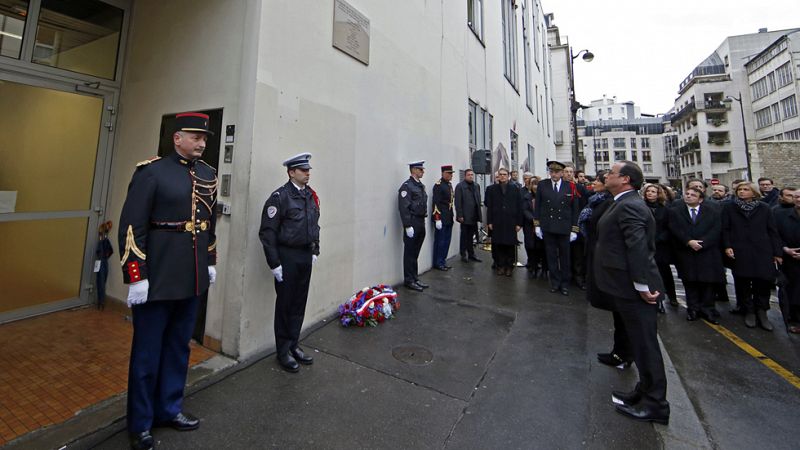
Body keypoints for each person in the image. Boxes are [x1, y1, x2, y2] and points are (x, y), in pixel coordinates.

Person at [119, 112, 218, 449]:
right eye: (196, 137)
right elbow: (133, 226)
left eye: (205, 138)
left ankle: (169, 409)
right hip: (157, 278)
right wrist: (137, 277)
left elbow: (209, 224)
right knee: (147, 353)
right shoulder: (151, 172)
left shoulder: (207, 174)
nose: (202, 143)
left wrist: (210, 262)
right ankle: (140, 423)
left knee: (178, 348)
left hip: (190, 279)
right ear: (177, 138)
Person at [595, 161, 668, 425]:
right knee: (639, 343)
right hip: (623, 286)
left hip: (634, 288)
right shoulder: (621, 201)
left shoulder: (631, 206)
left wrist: (642, 285)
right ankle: (645, 390)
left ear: (625, 179)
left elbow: (637, 247)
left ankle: (656, 404)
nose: (606, 175)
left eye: (612, 173)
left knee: (646, 346)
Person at [259, 152, 321, 372]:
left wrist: (315, 248)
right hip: (287, 256)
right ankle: (283, 350)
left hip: (305, 255)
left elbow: (315, 225)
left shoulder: (311, 196)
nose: (307, 173)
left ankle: (294, 344)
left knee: (298, 303)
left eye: (308, 170)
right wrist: (274, 263)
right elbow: (267, 233)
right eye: (303, 170)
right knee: (285, 304)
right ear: (291, 172)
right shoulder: (279, 197)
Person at [580, 171, 631, 368]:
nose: (594, 182)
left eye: (599, 180)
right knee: (619, 315)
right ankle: (619, 352)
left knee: (624, 316)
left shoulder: (618, 204)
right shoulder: (600, 201)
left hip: (615, 266)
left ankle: (624, 354)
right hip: (601, 257)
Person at [722, 182, 783, 330]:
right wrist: (727, 246)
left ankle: (762, 310)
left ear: (754, 192)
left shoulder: (764, 208)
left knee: (762, 281)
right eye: (739, 190)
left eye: (745, 189)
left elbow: (772, 231)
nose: (742, 192)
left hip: (762, 249)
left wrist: (777, 253)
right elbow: (725, 228)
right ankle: (748, 310)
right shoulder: (730, 207)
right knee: (743, 280)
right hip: (740, 249)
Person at [668, 187, 724, 324]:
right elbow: (674, 228)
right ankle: (692, 309)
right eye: (687, 194)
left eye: (693, 195)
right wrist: (688, 241)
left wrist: (703, 243)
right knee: (690, 282)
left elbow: (716, 229)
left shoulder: (712, 212)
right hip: (686, 251)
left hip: (707, 252)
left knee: (707, 283)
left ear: (700, 199)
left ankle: (707, 310)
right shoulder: (675, 212)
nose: (688, 196)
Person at [534, 161, 580, 295]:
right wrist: (537, 225)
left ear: (562, 173)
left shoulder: (570, 186)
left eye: (557, 172)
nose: (554, 174)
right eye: (552, 172)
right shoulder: (543, 185)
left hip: (564, 228)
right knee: (551, 256)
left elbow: (575, 209)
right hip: (548, 226)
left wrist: (574, 229)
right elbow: (538, 206)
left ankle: (565, 284)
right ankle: (555, 282)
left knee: (565, 258)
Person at [398, 161, 430, 291]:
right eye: (420, 169)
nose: (423, 171)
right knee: (409, 252)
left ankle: (415, 278)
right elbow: (403, 207)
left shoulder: (420, 186)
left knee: (415, 253)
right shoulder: (407, 186)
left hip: (421, 221)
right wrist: (407, 225)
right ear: (413, 170)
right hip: (412, 222)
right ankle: (409, 280)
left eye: (422, 169)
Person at [643, 183, 675, 312]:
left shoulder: (665, 209)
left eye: (653, 191)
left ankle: (670, 296)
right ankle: (656, 300)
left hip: (661, 246)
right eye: (648, 191)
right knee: (650, 274)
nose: (650, 193)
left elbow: (669, 227)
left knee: (664, 273)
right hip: (645, 245)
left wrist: (660, 238)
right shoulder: (642, 207)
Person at [485, 168, 523, 276]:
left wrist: (519, 223)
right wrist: (490, 222)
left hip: (511, 221)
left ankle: (509, 266)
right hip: (497, 221)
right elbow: (490, 207)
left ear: (508, 176)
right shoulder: (493, 189)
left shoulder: (515, 188)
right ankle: (500, 265)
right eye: (500, 174)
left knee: (510, 245)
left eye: (504, 174)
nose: (502, 176)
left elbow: (519, 206)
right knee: (499, 244)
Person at [774, 189, 800, 333]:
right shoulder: (781, 215)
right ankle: (793, 318)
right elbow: (776, 234)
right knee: (790, 291)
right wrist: (784, 249)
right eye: (796, 197)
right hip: (789, 260)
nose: (798, 199)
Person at [564, 164, 589, 290]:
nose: (568, 174)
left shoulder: (580, 188)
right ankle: (566, 276)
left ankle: (579, 277)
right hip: (564, 225)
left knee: (578, 254)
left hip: (577, 226)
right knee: (565, 253)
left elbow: (585, 206)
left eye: (570, 172)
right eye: (566, 172)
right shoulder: (559, 188)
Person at [454, 168, 482, 263]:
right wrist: (460, 215)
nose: (471, 176)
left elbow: (478, 199)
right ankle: (463, 254)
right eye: (469, 175)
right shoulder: (460, 186)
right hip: (465, 215)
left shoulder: (476, 185)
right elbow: (458, 202)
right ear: (465, 176)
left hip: (474, 214)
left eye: (472, 175)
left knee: (472, 235)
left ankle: (471, 254)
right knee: (464, 235)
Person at [522, 176, 547, 278]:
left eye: (537, 184)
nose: (535, 187)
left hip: (543, 225)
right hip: (529, 226)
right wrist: (533, 220)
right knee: (531, 247)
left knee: (543, 248)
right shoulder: (527, 197)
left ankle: (545, 269)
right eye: (534, 185)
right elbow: (525, 210)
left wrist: (540, 221)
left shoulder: (544, 197)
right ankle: (533, 267)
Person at [432, 165, 455, 271]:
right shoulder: (438, 185)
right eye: (449, 173)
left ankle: (443, 261)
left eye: (451, 173)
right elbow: (436, 203)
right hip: (441, 217)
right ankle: (438, 262)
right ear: (443, 173)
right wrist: (437, 218)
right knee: (440, 241)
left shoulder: (449, 185)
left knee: (446, 241)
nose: (451, 175)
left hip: (449, 217)